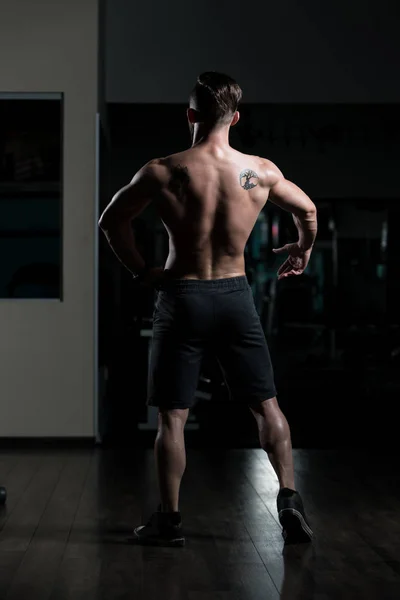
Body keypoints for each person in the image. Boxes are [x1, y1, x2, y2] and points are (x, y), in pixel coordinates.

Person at [98, 72, 317, 547]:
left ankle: (169, 519)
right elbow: (308, 212)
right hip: (235, 297)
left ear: (191, 114)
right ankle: (290, 499)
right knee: (266, 406)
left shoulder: (162, 170)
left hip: (182, 296)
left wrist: (142, 271)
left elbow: (111, 222)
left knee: (173, 417)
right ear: (235, 118)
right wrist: (301, 249)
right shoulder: (260, 171)